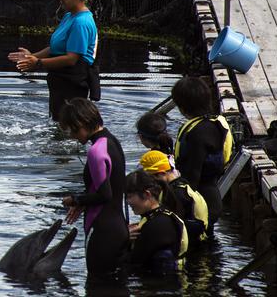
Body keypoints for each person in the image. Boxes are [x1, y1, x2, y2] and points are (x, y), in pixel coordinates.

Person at [8, 0, 100, 121]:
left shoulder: (81, 22)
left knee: (70, 124)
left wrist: (37, 63)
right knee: (59, 121)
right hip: (59, 81)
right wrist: (33, 56)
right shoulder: (69, 16)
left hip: (72, 82)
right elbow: (55, 47)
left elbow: (71, 59)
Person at [59, 99, 129, 277]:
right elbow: (112, 187)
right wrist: (83, 202)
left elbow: (104, 195)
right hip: (119, 226)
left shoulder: (96, 151)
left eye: (70, 129)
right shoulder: (111, 141)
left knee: (96, 286)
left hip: (102, 231)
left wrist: (76, 199)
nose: (71, 136)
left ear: (80, 123)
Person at [172, 76, 233, 236]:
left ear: (184, 106)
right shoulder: (216, 122)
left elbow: (192, 176)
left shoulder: (197, 134)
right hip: (212, 195)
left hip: (199, 205)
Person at [140, 150, 209, 247]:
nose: (151, 182)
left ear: (162, 174)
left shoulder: (176, 194)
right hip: (199, 239)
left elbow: (173, 225)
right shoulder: (182, 185)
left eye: (151, 178)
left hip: (193, 246)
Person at [125, 170, 189, 274]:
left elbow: (133, 262)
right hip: (171, 283)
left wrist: (123, 239)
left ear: (146, 194)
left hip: (160, 286)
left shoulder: (156, 225)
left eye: (130, 196)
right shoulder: (163, 215)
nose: (128, 202)